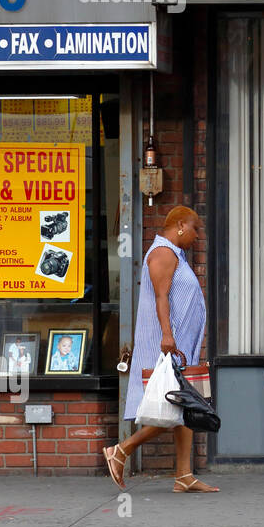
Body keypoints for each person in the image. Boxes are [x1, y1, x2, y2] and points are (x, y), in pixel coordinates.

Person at [102, 205, 219, 494]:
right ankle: (121, 450)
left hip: (181, 347)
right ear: (180, 225)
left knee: (186, 406)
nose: (197, 236)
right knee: (173, 407)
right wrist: (167, 335)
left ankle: (183, 475)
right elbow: (161, 297)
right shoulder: (164, 253)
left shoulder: (175, 254)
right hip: (168, 346)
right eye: (195, 229)